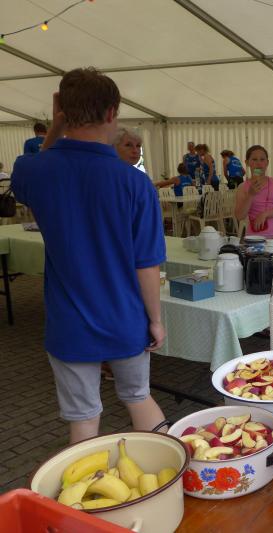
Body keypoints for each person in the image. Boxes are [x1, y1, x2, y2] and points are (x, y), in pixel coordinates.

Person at [11, 68, 166, 444]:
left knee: (83, 419)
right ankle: (175, 473)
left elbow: (34, 171)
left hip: (68, 323)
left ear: (62, 111)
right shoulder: (135, 183)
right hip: (125, 318)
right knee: (139, 397)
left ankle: (84, 485)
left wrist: (56, 127)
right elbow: (146, 265)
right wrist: (156, 321)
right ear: (112, 113)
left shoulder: (32, 169)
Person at [234, 145, 273, 239]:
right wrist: (250, 195)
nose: (258, 163)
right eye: (254, 159)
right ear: (247, 162)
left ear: (267, 163)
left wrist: (265, 214)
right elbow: (239, 216)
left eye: (262, 159)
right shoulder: (243, 187)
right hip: (254, 238)